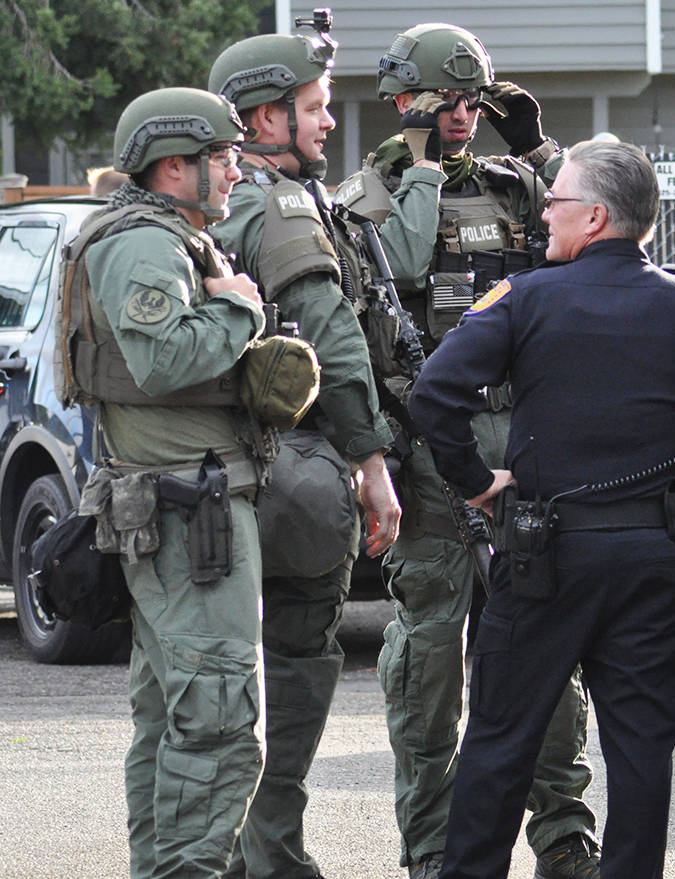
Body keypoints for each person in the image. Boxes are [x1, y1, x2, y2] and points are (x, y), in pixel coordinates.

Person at [410, 140, 675, 879]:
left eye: (557, 201)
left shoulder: (528, 297)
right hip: (653, 561)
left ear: (595, 217)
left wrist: (476, 481)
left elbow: (434, 393)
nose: (544, 214)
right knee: (640, 752)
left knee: (501, 740)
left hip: (544, 560)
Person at [334, 22, 599, 879]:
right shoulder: (367, 195)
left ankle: (564, 836)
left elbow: (602, 229)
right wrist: (414, 163)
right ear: (406, 101)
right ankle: (435, 848)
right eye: (446, 99)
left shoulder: (515, 185)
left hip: (527, 449)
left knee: (548, 656)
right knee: (429, 669)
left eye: (473, 99)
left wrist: (543, 148)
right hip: (430, 453)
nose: (462, 114)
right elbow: (405, 254)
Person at [207, 26, 402, 879]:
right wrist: (373, 463)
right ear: (262, 118)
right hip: (294, 467)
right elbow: (333, 338)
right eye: (316, 108)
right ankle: (269, 846)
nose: (329, 122)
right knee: (294, 656)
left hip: (242, 472)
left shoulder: (242, 200)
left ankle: (251, 844)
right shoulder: (275, 206)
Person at [72, 87, 266, 879]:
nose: (233, 170)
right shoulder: (146, 245)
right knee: (217, 716)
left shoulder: (165, 237)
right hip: (190, 516)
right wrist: (241, 311)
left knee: (174, 714)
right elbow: (161, 359)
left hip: (186, 506)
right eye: (221, 157)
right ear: (173, 165)